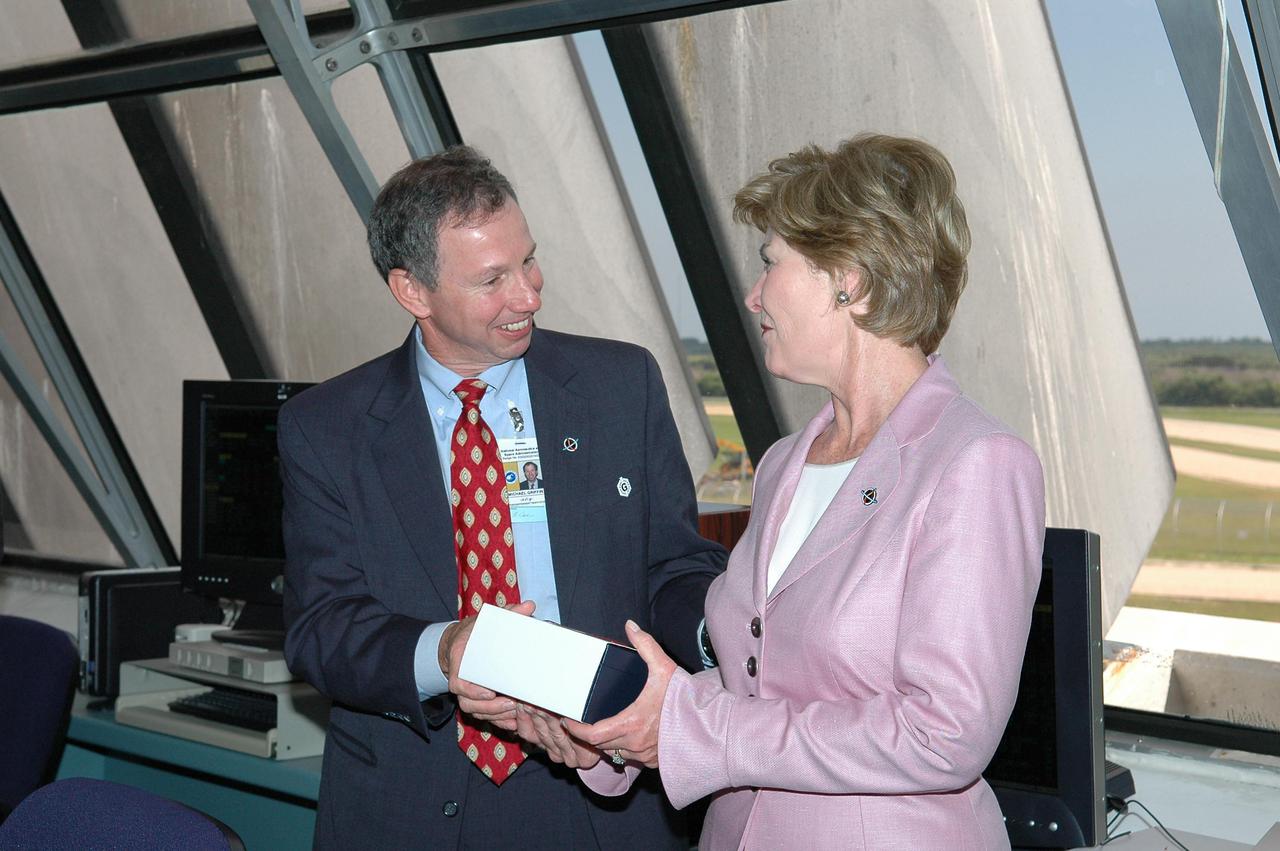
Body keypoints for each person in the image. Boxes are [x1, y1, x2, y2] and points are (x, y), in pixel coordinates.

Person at [520, 134, 1046, 849]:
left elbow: (943, 733)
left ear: (848, 280)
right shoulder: (783, 465)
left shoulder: (976, 463)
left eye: (771, 264)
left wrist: (686, 726)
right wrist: (618, 729)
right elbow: (757, 691)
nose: (753, 293)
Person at [277, 145, 725, 849]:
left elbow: (673, 566)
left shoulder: (621, 387)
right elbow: (322, 627)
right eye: (492, 279)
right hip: (413, 798)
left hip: (602, 788)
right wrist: (447, 649)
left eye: (529, 260)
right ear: (413, 292)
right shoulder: (327, 428)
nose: (529, 294)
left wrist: (723, 637)